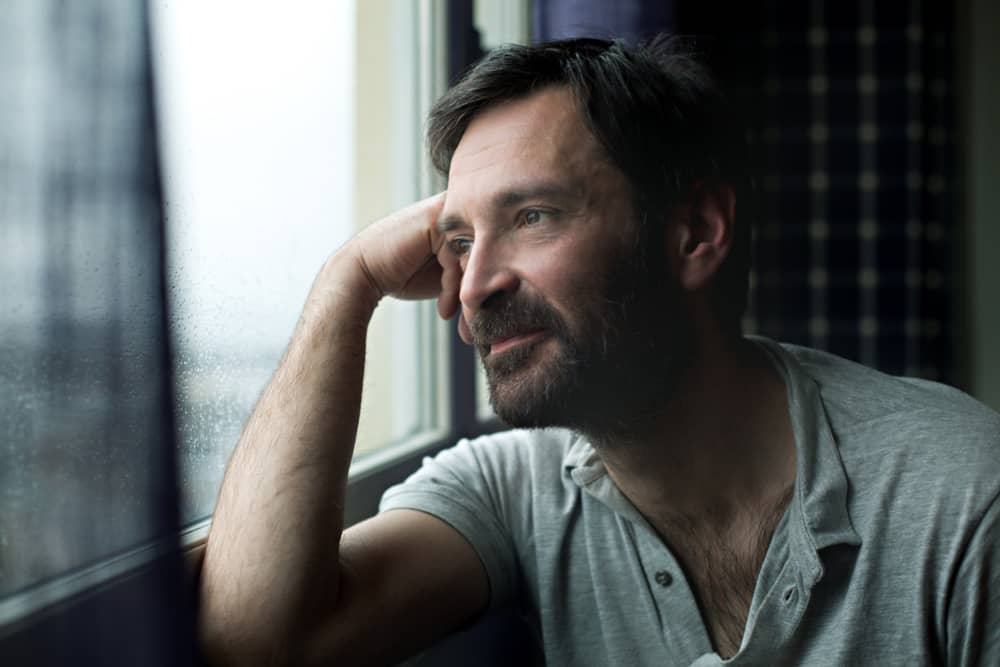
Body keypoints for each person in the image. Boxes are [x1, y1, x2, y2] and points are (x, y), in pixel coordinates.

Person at [198, 36, 1000, 666]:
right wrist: (350, 281)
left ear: (695, 235)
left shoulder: (962, 495)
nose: (472, 285)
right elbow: (262, 643)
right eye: (458, 240)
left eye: (534, 215)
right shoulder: (513, 491)